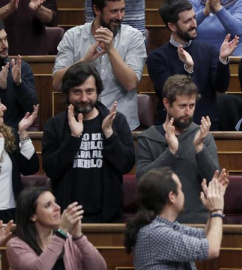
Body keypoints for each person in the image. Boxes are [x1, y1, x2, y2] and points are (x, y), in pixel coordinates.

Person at [42, 62, 135, 223]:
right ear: (67, 93)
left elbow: (126, 165)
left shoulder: (116, 122)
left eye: (89, 91)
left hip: (108, 218)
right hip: (67, 218)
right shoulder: (54, 125)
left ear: (98, 92)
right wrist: (73, 138)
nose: (84, 98)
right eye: (77, 92)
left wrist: (109, 134)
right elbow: (51, 169)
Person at [136, 74, 220, 224]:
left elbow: (215, 182)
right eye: (182, 106)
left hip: (197, 221)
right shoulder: (147, 138)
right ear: (167, 103)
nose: (188, 112)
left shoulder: (203, 137)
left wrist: (200, 149)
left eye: (192, 106)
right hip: (157, 223)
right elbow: (142, 181)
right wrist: (171, 152)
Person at [53, 0, 146, 130]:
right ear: (97, 10)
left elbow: (130, 83)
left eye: (122, 10)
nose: (119, 17)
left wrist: (111, 50)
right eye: (114, 11)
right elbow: (57, 83)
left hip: (120, 126)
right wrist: (84, 61)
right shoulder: (72, 36)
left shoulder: (134, 37)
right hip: (79, 123)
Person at [147, 0, 238, 130]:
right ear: (172, 26)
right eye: (187, 21)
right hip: (173, 128)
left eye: (194, 18)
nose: (194, 24)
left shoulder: (209, 50)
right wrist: (187, 68)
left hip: (205, 126)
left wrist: (223, 60)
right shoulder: (157, 57)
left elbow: (221, 86)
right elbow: (169, 92)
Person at [124, 167, 228, 269]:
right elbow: (212, 249)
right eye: (180, 189)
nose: (183, 194)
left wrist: (213, 204)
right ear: (172, 196)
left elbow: (204, 236)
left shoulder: (168, 226)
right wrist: (217, 209)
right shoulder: (156, 233)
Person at [6, 187, 107, 269]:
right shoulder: (16, 246)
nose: (57, 207)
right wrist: (62, 231)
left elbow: (100, 268)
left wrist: (79, 237)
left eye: (55, 202)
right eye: (48, 205)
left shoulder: (68, 240)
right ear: (32, 216)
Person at [0, 101, 39, 224]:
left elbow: (30, 168)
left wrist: (22, 132)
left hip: (12, 213)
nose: (4, 107)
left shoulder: (8, 135)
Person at [0, 20, 38, 129]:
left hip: (14, 136)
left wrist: (19, 84)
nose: (5, 45)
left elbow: (32, 108)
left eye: (5, 39)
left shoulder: (20, 68)